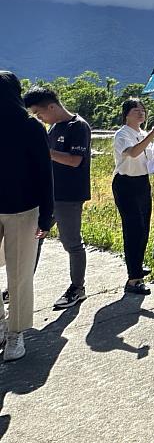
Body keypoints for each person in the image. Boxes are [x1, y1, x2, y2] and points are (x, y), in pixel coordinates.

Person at [0, 71, 54, 361]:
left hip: (24, 211)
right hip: (20, 210)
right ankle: (8, 330)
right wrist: (46, 216)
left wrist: (47, 216)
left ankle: (12, 333)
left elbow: (44, 174)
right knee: (19, 275)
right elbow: (45, 175)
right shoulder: (30, 126)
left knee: (18, 275)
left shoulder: (31, 127)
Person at [23, 86, 92, 310]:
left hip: (69, 197)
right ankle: (22, 285)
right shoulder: (53, 127)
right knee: (35, 238)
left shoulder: (78, 126)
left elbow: (75, 160)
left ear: (51, 106)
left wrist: (45, 151)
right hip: (49, 196)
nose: (39, 118)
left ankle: (77, 288)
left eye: (39, 113)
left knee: (71, 243)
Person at [112, 98, 154, 295]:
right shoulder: (122, 134)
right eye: (136, 110)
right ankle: (134, 279)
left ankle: (137, 267)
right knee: (133, 229)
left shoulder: (142, 133)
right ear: (126, 114)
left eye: (143, 110)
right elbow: (133, 153)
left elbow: (151, 157)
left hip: (142, 182)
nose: (141, 113)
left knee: (144, 228)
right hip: (125, 184)